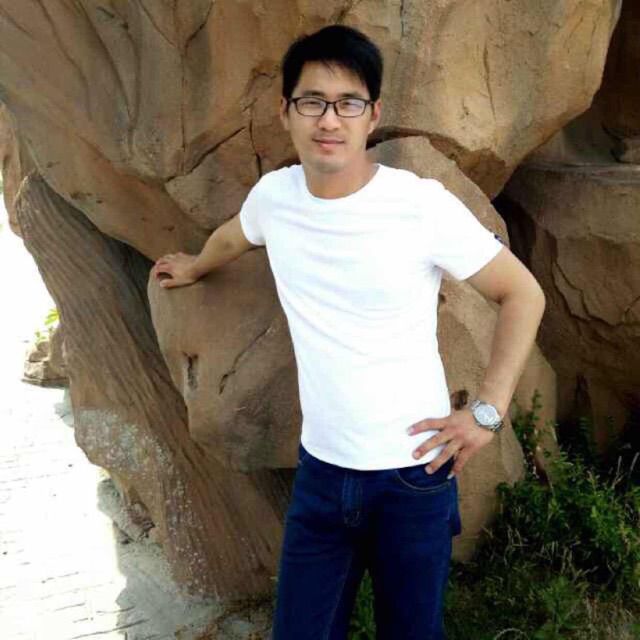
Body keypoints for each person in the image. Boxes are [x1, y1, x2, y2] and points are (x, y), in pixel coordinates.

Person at [151, 24, 546, 640]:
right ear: (286, 112)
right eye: (312, 101)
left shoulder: (419, 204)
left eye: (348, 103)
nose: (329, 120)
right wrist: (197, 266)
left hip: (413, 477)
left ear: (372, 115)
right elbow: (235, 235)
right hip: (322, 473)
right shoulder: (275, 198)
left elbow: (522, 293)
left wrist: (488, 412)